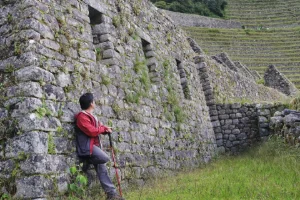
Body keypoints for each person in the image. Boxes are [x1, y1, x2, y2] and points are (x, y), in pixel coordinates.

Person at [75, 93, 125, 200]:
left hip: (94, 147)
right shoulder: (82, 117)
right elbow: (91, 131)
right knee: (104, 158)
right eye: (93, 101)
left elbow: (98, 127)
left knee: (103, 171)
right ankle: (88, 160)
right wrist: (102, 129)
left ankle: (111, 194)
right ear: (91, 103)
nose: (95, 102)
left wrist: (105, 129)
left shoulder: (91, 116)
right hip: (88, 148)